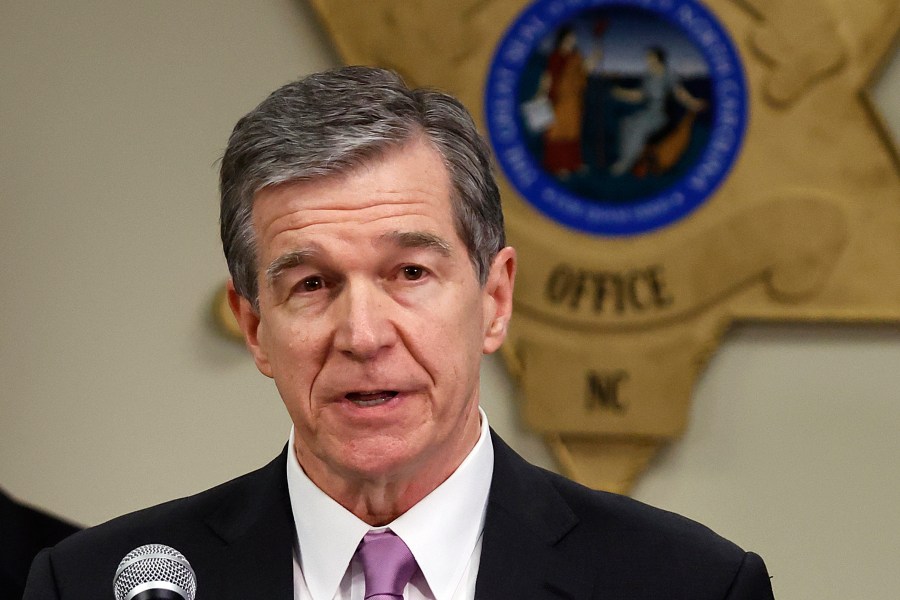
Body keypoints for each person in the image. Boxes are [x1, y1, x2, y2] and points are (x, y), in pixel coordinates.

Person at [25, 66, 774, 599]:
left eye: (410, 273)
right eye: (312, 284)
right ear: (255, 327)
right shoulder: (95, 582)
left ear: (494, 297)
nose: (362, 334)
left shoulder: (689, 583)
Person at [610, 46, 707, 176]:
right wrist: (621, 93)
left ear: (658, 59)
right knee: (626, 123)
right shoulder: (648, 76)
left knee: (639, 127)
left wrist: (694, 103)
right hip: (649, 112)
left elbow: (680, 93)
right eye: (647, 58)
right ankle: (633, 157)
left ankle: (625, 163)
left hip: (662, 115)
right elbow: (639, 96)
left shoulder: (669, 74)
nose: (647, 60)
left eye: (650, 57)